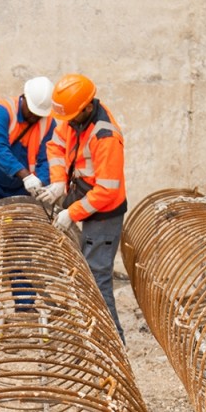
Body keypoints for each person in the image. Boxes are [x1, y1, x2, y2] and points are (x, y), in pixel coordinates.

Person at [41, 73, 128, 339]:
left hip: (104, 214)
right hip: (85, 202)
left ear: (87, 108)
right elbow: (55, 146)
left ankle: (112, 342)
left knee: (97, 278)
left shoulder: (105, 137)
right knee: (88, 275)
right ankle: (94, 335)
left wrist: (71, 212)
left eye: (70, 118)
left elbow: (107, 190)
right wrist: (57, 183)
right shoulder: (75, 120)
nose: (66, 124)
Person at [0, 76, 55, 218]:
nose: (34, 117)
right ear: (24, 98)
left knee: (18, 231)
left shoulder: (49, 123)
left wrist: (41, 183)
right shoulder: (3, 110)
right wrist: (26, 176)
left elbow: (48, 158)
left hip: (21, 187)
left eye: (39, 114)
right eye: (32, 111)